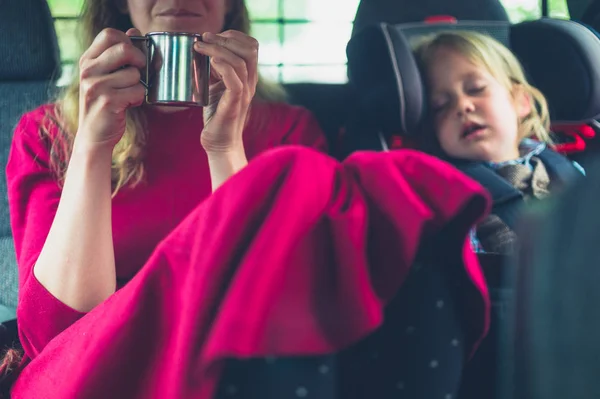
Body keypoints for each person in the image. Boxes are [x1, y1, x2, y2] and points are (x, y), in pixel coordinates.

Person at [1, 4, 493, 397]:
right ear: (120, 6)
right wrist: (93, 143)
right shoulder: (49, 134)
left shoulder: (287, 128)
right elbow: (55, 336)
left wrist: (224, 148)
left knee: (386, 191)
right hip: (97, 367)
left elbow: (292, 295)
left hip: (242, 350)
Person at [413, 31, 584, 254]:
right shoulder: (451, 204)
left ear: (521, 102)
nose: (463, 106)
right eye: (441, 105)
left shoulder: (569, 171)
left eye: (476, 89)